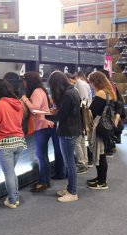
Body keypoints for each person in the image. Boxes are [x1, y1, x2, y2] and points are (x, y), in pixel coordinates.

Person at [0, 79, 27, 208]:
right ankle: (14, 196)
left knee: (9, 173)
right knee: (11, 172)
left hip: (5, 144)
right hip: (19, 141)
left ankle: (13, 200)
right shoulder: (18, 103)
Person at [21, 71, 65, 193]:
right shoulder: (42, 90)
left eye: (24, 80)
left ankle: (43, 181)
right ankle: (46, 179)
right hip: (48, 125)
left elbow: (35, 109)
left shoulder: (36, 91)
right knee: (46, 154)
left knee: (41, 155)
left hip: (43, 126)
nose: (23, 83)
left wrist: (25, 99)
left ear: (29, 81)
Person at [45, 71, 82, 202]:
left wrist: (43, 115)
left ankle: (72, 192)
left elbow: (60, 117)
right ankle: (70, 188)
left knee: (70, 163)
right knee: (69, 162)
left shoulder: (67, 94)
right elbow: (67, 112)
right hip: (72, 130)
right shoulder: (73, 90)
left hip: (67, 131)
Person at [87, 71, 117, 190]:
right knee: (101, 153)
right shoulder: (109, 92)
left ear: (96, 81)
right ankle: (100, 178)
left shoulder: (100, 93)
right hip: (106, 126)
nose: (91, 85)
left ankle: (102, 181)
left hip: (99, 126)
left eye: (91, 82)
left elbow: (92, 111)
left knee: (100, 154)